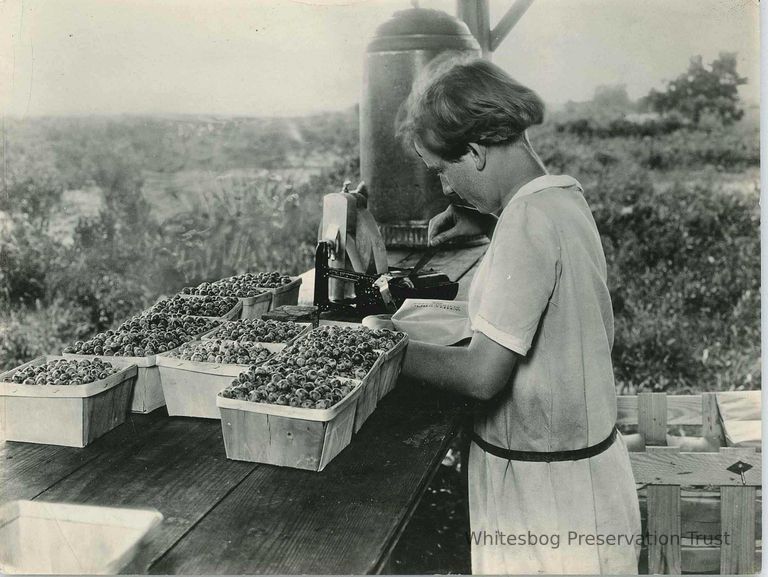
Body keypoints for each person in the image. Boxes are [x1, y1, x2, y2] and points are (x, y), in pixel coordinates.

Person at [397, 55, 642, 575]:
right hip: (583, 485)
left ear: (477, 151)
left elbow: (483, 376)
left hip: (544, 505)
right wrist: (486, 226)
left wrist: (384, 349)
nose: (444, 188)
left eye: (443, 170)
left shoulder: (524, 223)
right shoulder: (560, 199)